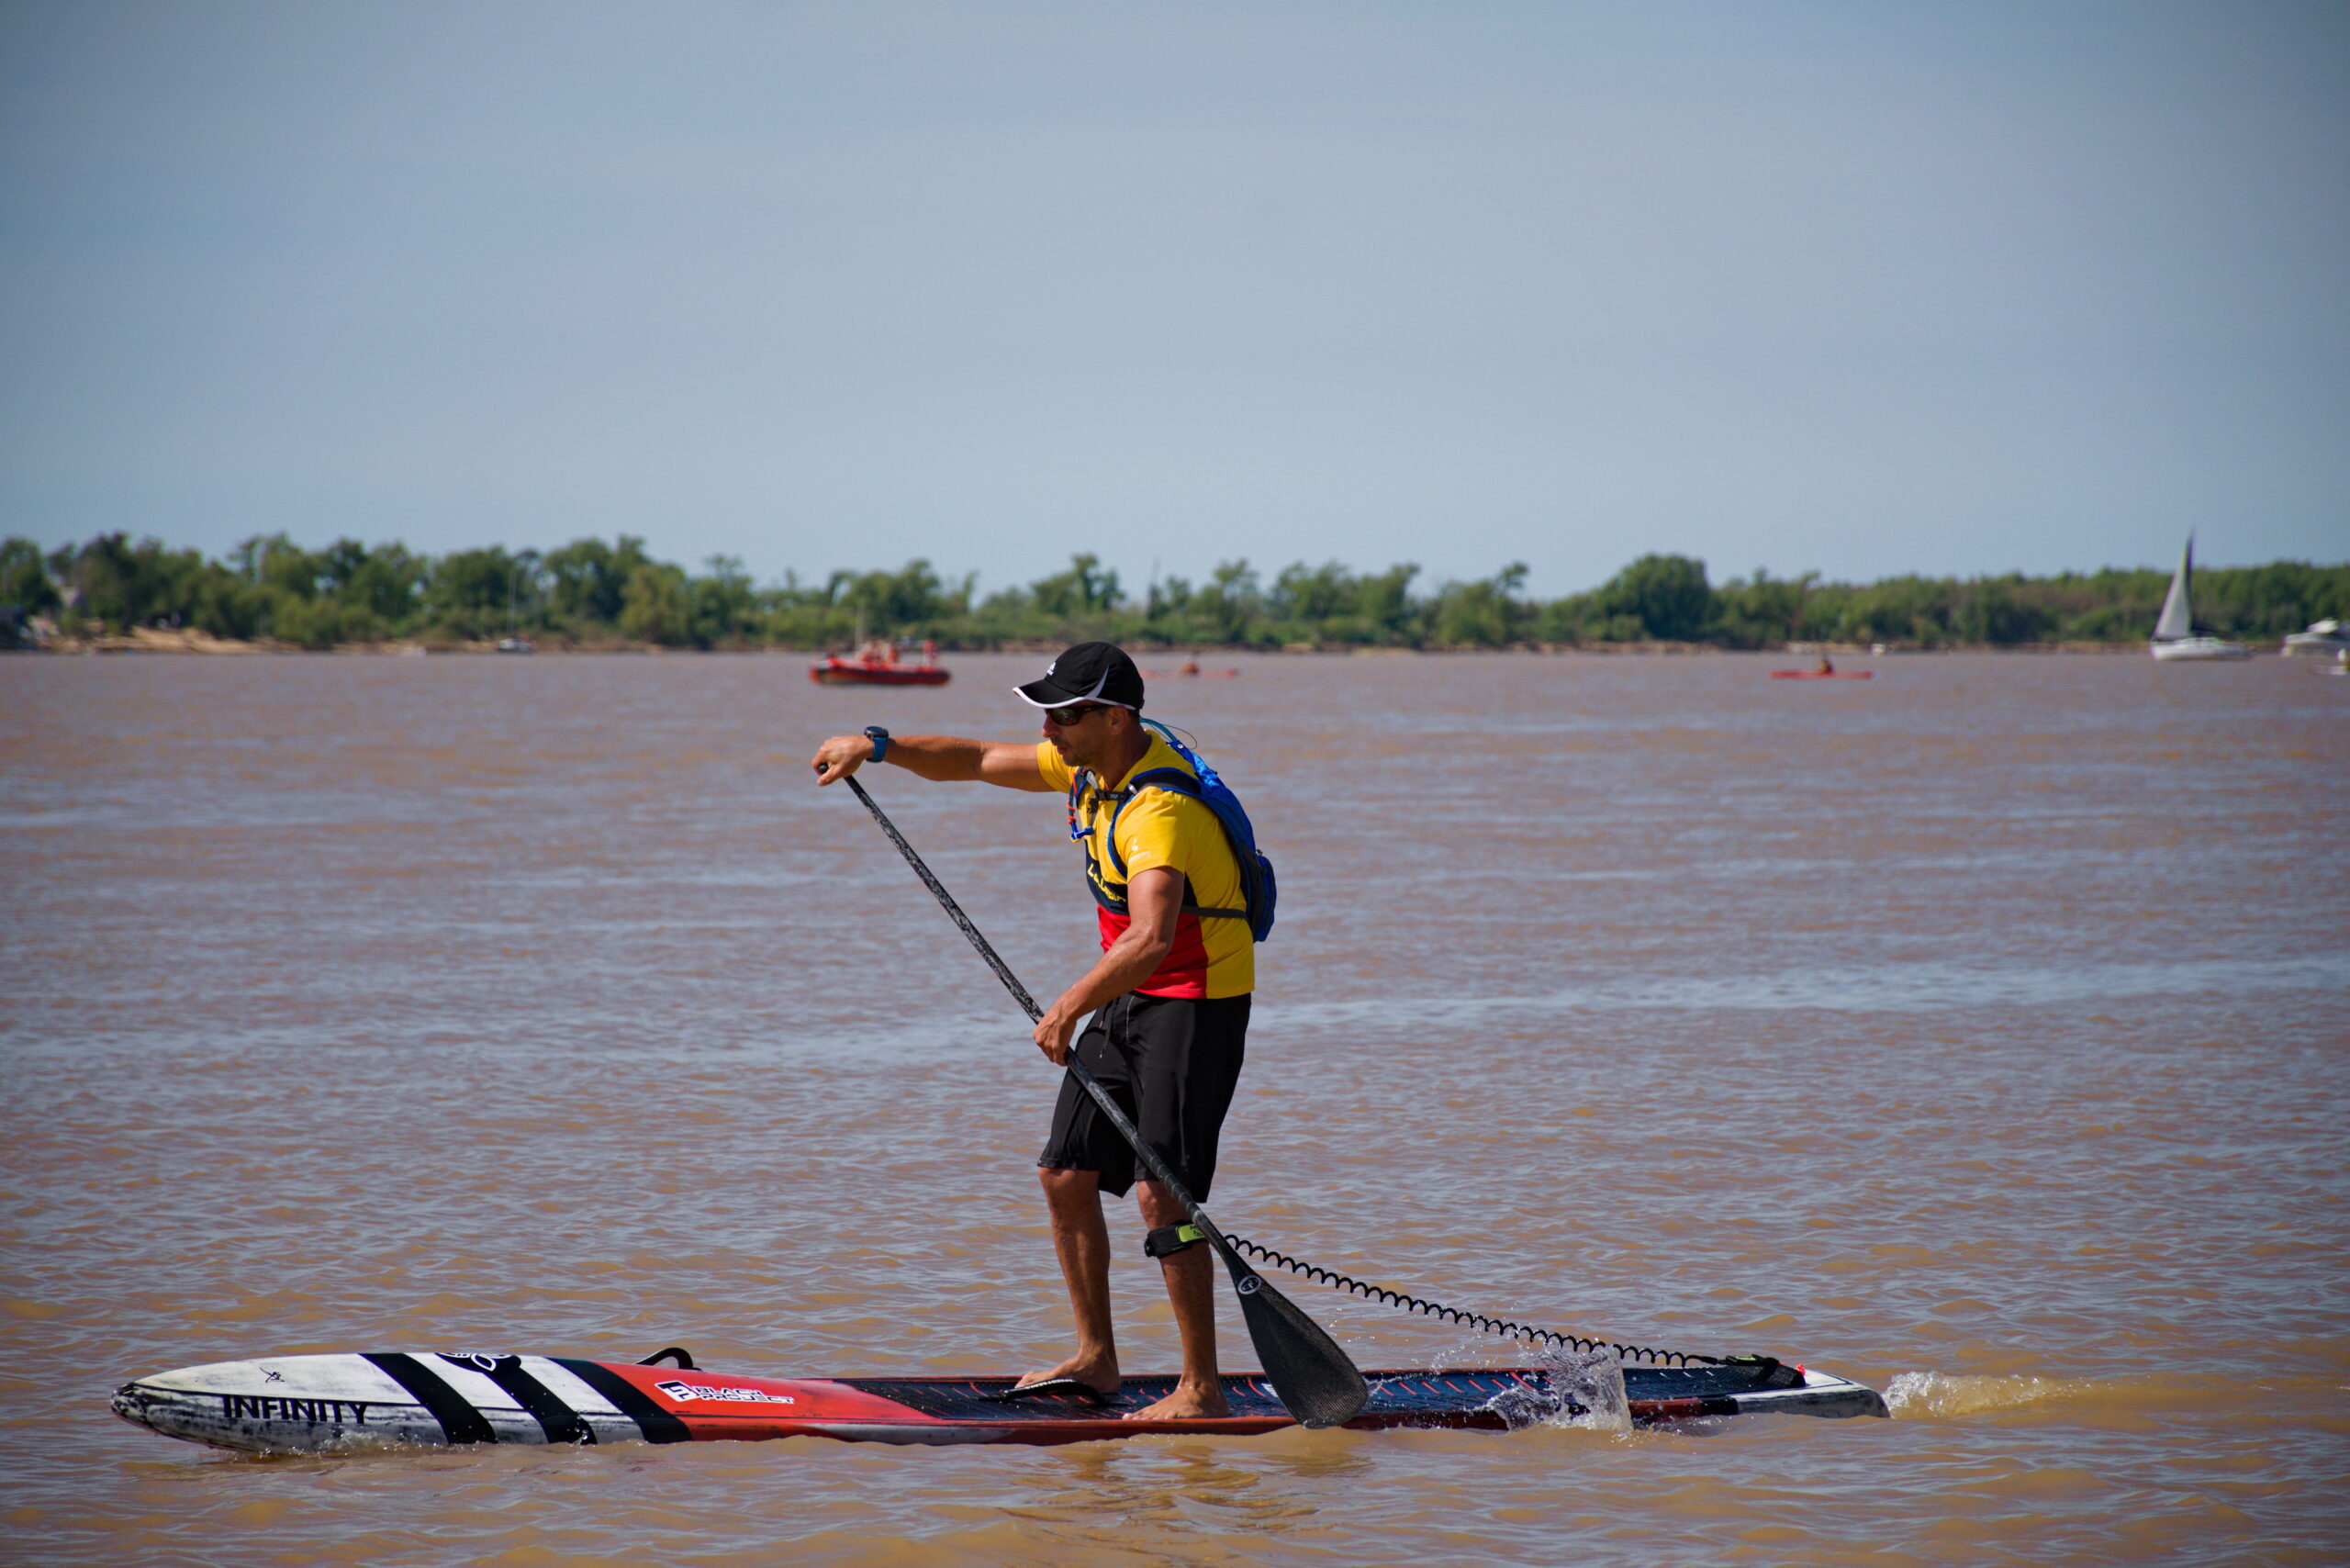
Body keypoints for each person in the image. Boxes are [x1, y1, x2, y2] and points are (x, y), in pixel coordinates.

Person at [810, 642, 1257, 1421]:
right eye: (1046, 712)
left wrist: (1067, 1007)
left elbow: (1151, 937)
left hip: (1194, 999)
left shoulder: (1159, 810)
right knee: (1065, 1174)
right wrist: (877, 747)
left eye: (1065, 713)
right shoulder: (1090, 766)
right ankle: (1097, 1359)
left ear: (1115, 718)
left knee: (1164, 1196)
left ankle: (1201, 1390)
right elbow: (979, 758)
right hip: (1128, 992)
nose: (1049, 727)